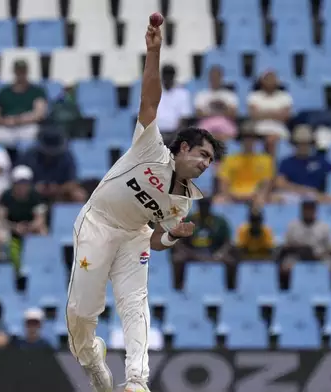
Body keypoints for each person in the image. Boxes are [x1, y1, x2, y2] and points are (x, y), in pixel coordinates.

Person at [65, 18, 225, 392]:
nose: (205, 164)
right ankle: (93, 363)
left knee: (135, 304)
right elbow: (150, 98)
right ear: (183, 147)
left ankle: (137, 381)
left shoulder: (184, 201)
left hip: (134, 237)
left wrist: (173, 236)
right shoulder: (151, 148)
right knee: (81, 314)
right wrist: (153, 52)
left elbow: (156, 240)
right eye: (201, 154)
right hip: (98, 223)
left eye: (210, 161)